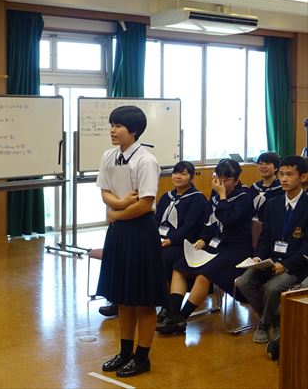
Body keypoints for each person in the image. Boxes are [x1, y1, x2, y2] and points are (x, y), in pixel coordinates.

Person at [96, 105, 165, 378]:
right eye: (112, 125)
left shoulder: (146, 161)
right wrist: (120, 203)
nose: (112, 130)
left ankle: (142, 357)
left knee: (143, 300)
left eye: (118, 126)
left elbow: (146, 203)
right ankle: (125, 353)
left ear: (133, 130)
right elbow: (105, 192)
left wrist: (116, 213)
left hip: (141, 231)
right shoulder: (108, 156)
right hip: (119, 231)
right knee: (123, 297)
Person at [157, 158, 253, 335]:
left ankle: (181, 317)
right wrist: (203, 238)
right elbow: (209, 223)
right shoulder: (214, 197)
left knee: (204, 274)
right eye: (218, 178)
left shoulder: (244, 198)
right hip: (215, 244)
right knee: (179, 267)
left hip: (235, 247)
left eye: (226, 179)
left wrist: (222, 196)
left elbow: (228, 220)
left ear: (236, 180)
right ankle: (174, 314)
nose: (221, 183)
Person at [236, 156, 308, 343]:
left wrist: (286, 265)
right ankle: (274, 318)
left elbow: (306, 248)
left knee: (271, 288)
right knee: (242, 282)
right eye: (281, 174)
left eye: (289, 175)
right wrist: (258, 257)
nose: (283, 179)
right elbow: (265, 237)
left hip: (297, 265)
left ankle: (265, 323)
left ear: (303, 177)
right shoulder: (273, 204)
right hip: (271, 260)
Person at [154, 161, 207, 324]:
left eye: (183, 174)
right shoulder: (166, 197)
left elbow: (190, 227)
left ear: (191, 177)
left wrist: (170, 240)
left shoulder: (197, 199)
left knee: (163, 258)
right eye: (176, 173)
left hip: (183, 244)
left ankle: (166, 305)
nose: (178, 177)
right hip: (162, 240)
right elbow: (155, 220)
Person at [247, 152, 283, 221]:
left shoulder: (281, 189)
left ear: (276, 168)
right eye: (260, 163)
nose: (263, 166)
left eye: (268, 164)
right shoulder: (254, 187)